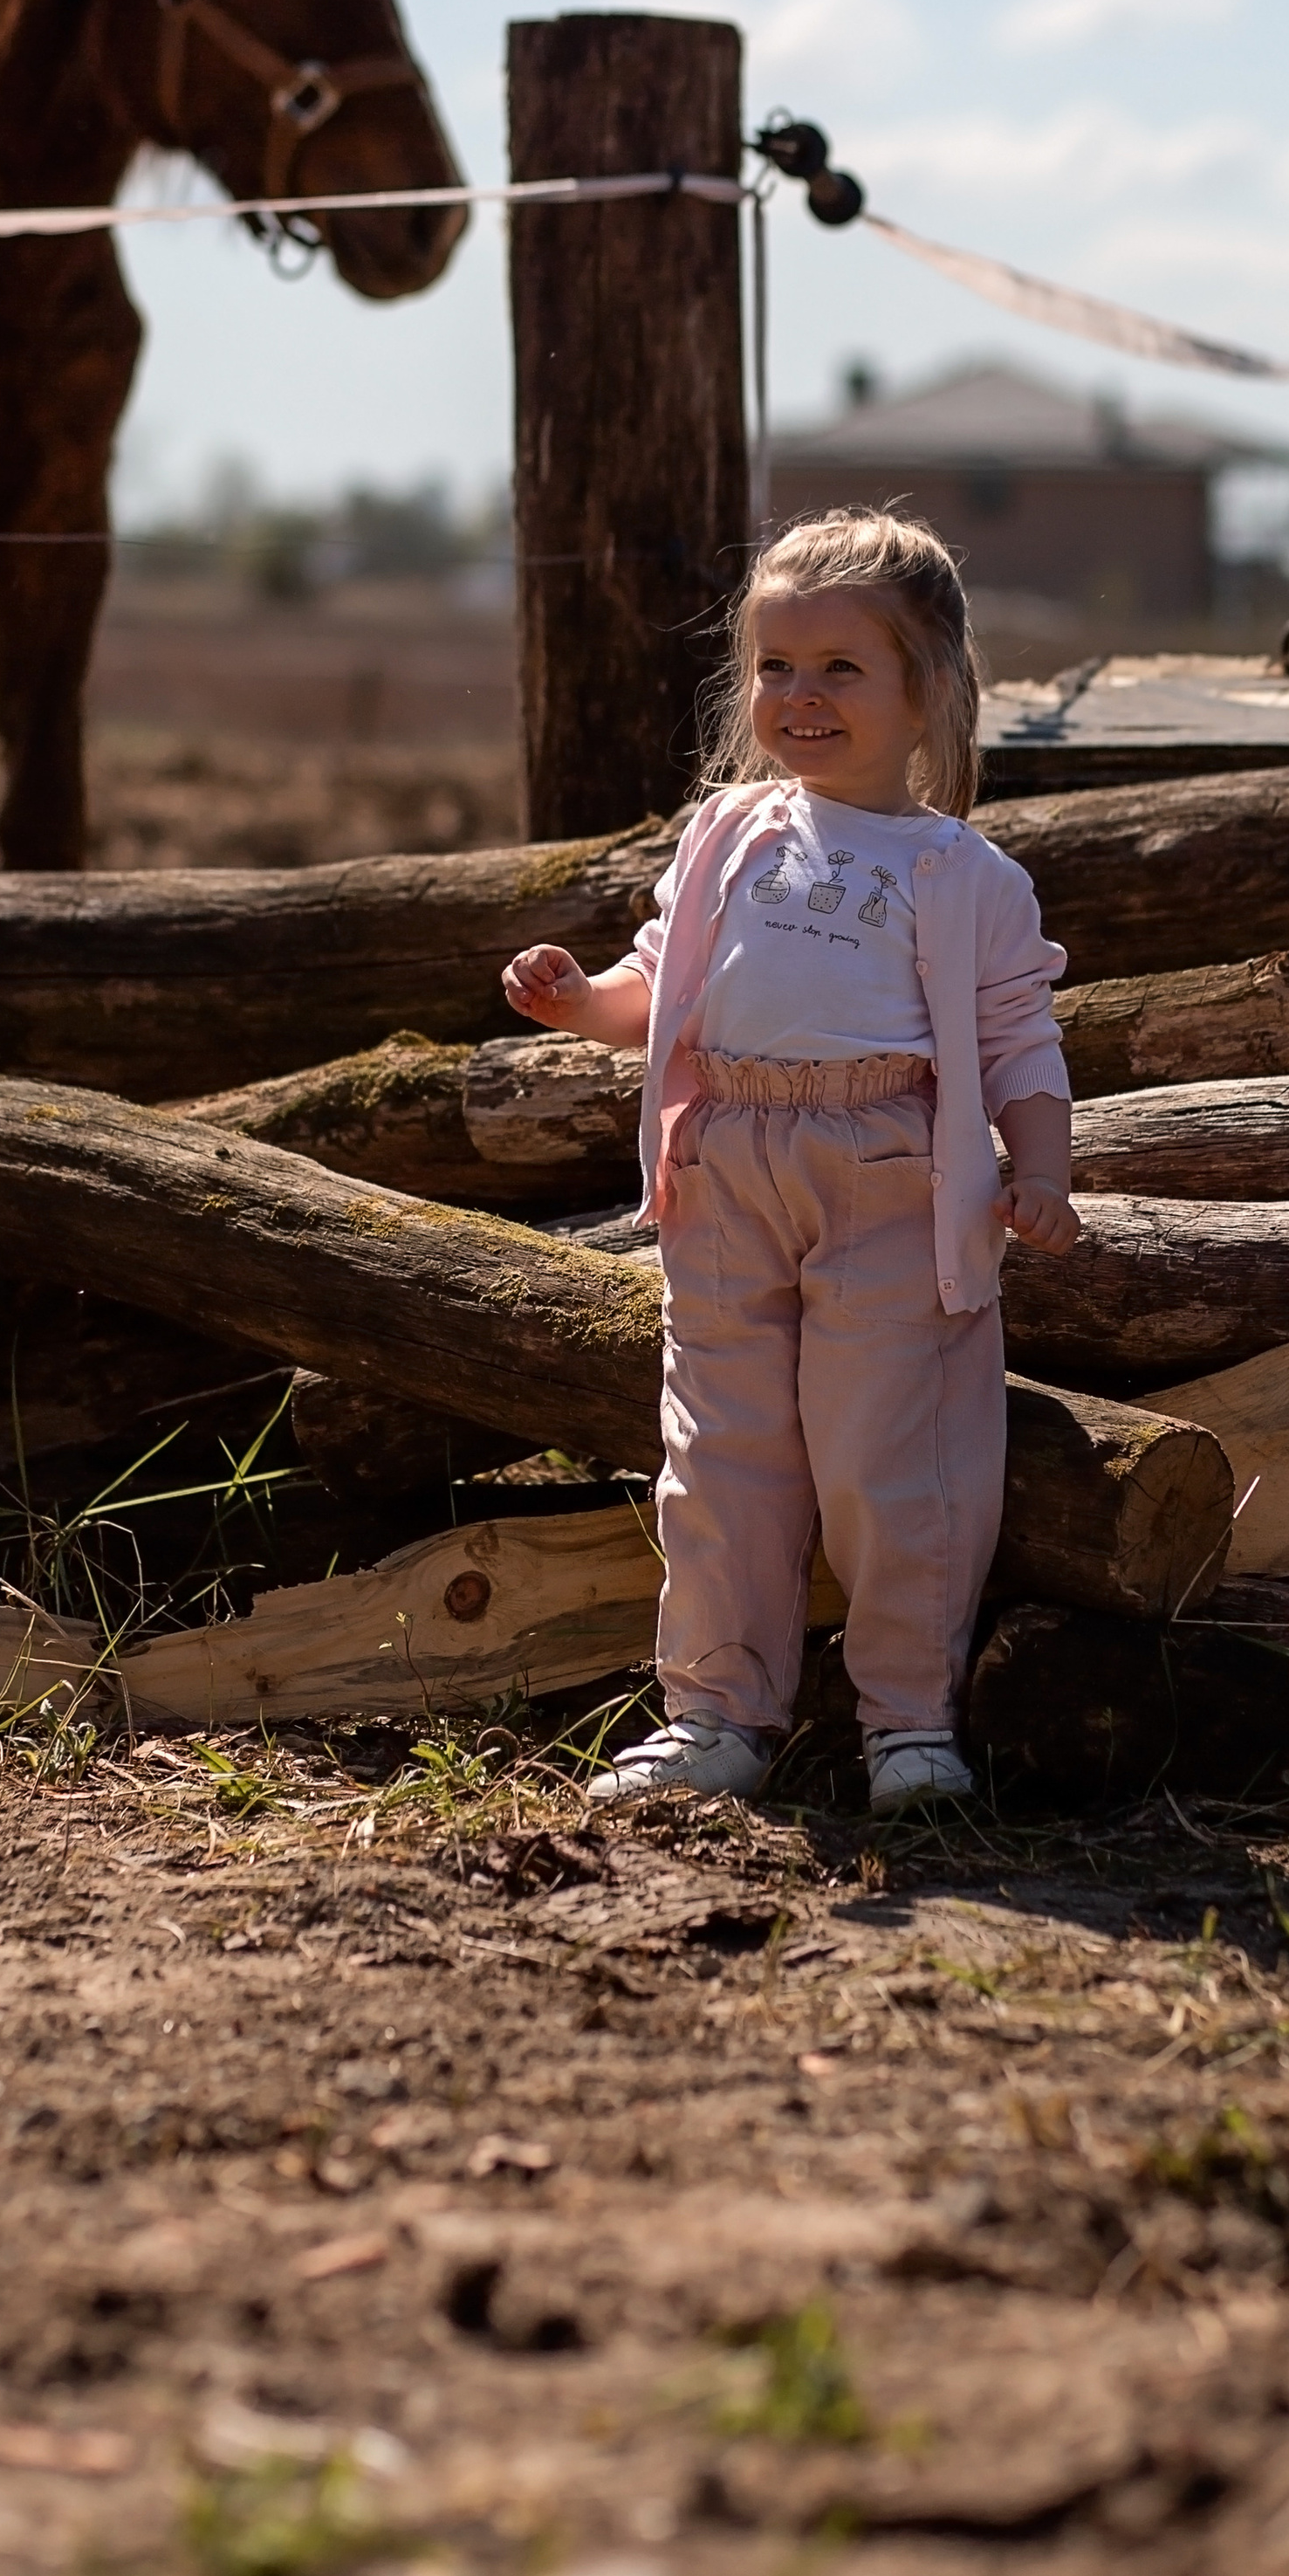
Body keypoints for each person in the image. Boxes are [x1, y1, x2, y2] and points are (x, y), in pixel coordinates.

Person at [502, 506, 1080, 1813]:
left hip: (892, 1172)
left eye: (839, 669)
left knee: (894, 1458)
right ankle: (718, 1712)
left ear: (927, 689)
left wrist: (1038, 1170)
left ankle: (909, 1723)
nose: (798, 697)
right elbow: (667, 986)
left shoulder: (964, 871)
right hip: (726, 1167)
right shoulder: (728, 836)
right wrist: (581, 999)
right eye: (773, 667)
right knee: (723, 1451)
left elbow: (1018, 1043)